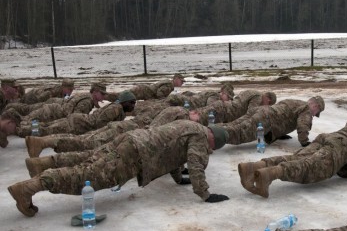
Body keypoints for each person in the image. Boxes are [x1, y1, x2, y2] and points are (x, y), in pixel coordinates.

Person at [8, 120, 230, 217]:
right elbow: (194, 163)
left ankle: (42, 167)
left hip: (130, 140)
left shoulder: (191, 127)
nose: (209, 150)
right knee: (88, 177)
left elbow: (173, 155)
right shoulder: (201, 137)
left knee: (88, 163)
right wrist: (205, 194)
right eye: (212, 148)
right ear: (213, 141)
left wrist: (178, 179)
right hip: (135, 155)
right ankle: (30, 188)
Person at [238, 112, 347, 198]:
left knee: (296, 157)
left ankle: (255, 166)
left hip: (327, 137)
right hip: (340, 147)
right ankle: (270, 174)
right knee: (310, 167)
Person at [24, 108, 206, 176]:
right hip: (130, 136)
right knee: (87, 150)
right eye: (198, 118)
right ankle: (43, 148)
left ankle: (42, 156)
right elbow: (166, 140)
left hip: (128, 132)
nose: (196, 122)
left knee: (86, 147)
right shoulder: (182, 115)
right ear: (194, 112)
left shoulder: (171, 111)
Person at [15, 87, 133, 137]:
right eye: (131, 102)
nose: (103, 97)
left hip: (64, 115)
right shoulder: (90, 102)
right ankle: (18, 129)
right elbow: (99, 124)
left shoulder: (87, 97)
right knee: (45, 129)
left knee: (42, 126)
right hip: (73, 123)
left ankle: (19, 126)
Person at [222, 96, 324, 147]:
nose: (314, 115)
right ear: (315, 106)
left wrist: (279, 133)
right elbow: (303, 125)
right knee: (238, 133)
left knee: (234, 124)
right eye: (317, 112)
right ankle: (210, 137)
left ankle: (211, 130)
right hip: (265, 120)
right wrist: (305, 142)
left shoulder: (295, 102)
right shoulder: (307, 110)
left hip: (260, 110)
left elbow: (282, 113)